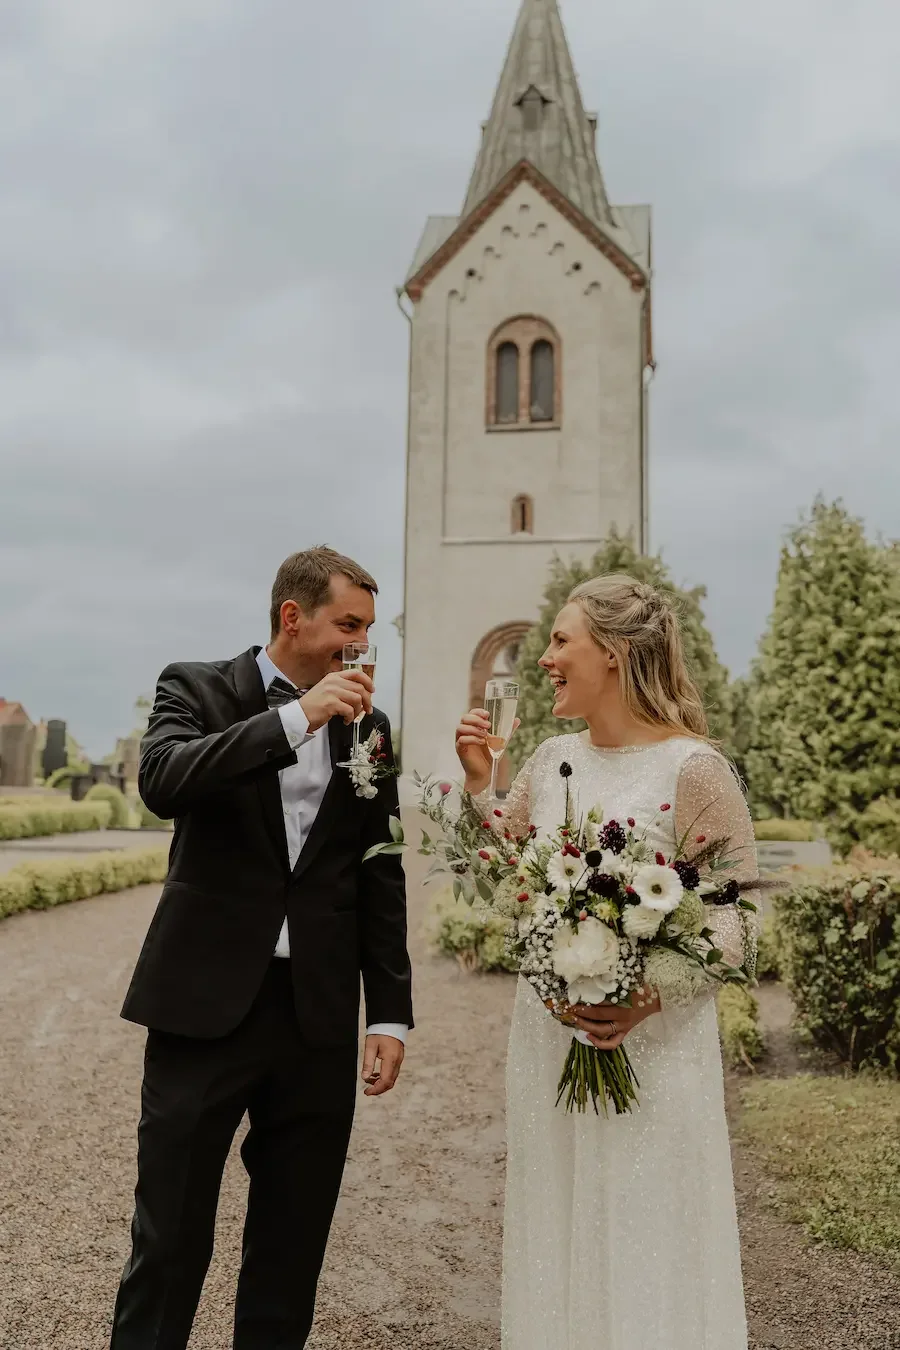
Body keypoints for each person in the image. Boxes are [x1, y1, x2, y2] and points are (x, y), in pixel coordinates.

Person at [109, 546, 413, 1350]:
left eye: (368, 630)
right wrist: (297, 717)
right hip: (202, 1004)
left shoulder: (372, 728)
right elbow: (164, 781)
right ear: (292, 617)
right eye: (348, 625)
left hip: (317, 1014)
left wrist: (389, 1013)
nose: (360, 644)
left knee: (291, 1242)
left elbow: (380, 870)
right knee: (169, 1235)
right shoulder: (194, 687)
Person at [455, 574, 757, 1350]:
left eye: (561, 641)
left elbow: (732, 924)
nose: (545, 658)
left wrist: (643, 996)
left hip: (652, 1048)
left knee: (645, 1230)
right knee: (557, 1221)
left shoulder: (695, 768)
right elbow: (507, 868)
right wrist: (480, 781)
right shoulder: (552, 755)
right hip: (550, 1039)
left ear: (615, 653)